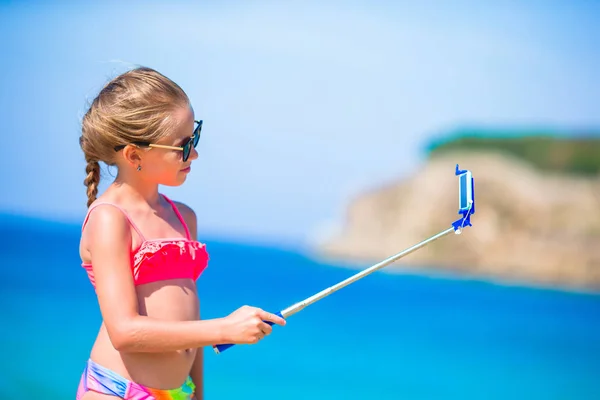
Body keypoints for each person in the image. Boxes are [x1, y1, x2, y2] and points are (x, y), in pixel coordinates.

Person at [76, 66, 286, 400]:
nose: (195, 153)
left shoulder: (184, 217)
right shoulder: (110, 219)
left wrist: (196, 393)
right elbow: (124, 332)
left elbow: (189, 319)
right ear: (134, 155)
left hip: (178, 392)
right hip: (119, 391)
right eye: (183, 146)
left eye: (196, 138)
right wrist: (224, 329)